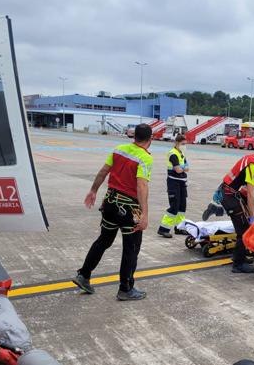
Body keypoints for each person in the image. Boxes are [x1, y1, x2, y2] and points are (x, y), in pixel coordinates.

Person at [73, 123, 153, 301]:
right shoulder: (145, 157)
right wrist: (145, 214)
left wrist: (93, 190)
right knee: (131, 248)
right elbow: (141, 186)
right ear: (150, 139)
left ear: (134, 137)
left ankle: (84, 275)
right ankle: (126, 288)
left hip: (109, 202)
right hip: (129, 208)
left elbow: (103, 171)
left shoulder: (119, 149)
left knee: (104, 240)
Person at [219, 139, 254, 273]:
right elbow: (251, 195)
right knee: (244, 230)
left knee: (244, 228)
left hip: (229, 194)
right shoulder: (253, 164)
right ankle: (238, 264)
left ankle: (241, 257)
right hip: (229, 196)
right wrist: (251, 217)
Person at [157, 134, 189, 238]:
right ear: (176, 143)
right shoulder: (173, 154)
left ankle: (179, 228)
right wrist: (182, 168)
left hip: (182, 182)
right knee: (174, 206)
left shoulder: (181, 154)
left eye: (185, 144)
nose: (184, 146)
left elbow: (186, 168)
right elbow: (178, 169)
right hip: (173, 183)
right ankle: (163, 229)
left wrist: (182, 168)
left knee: (182, 206)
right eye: (182, 144)